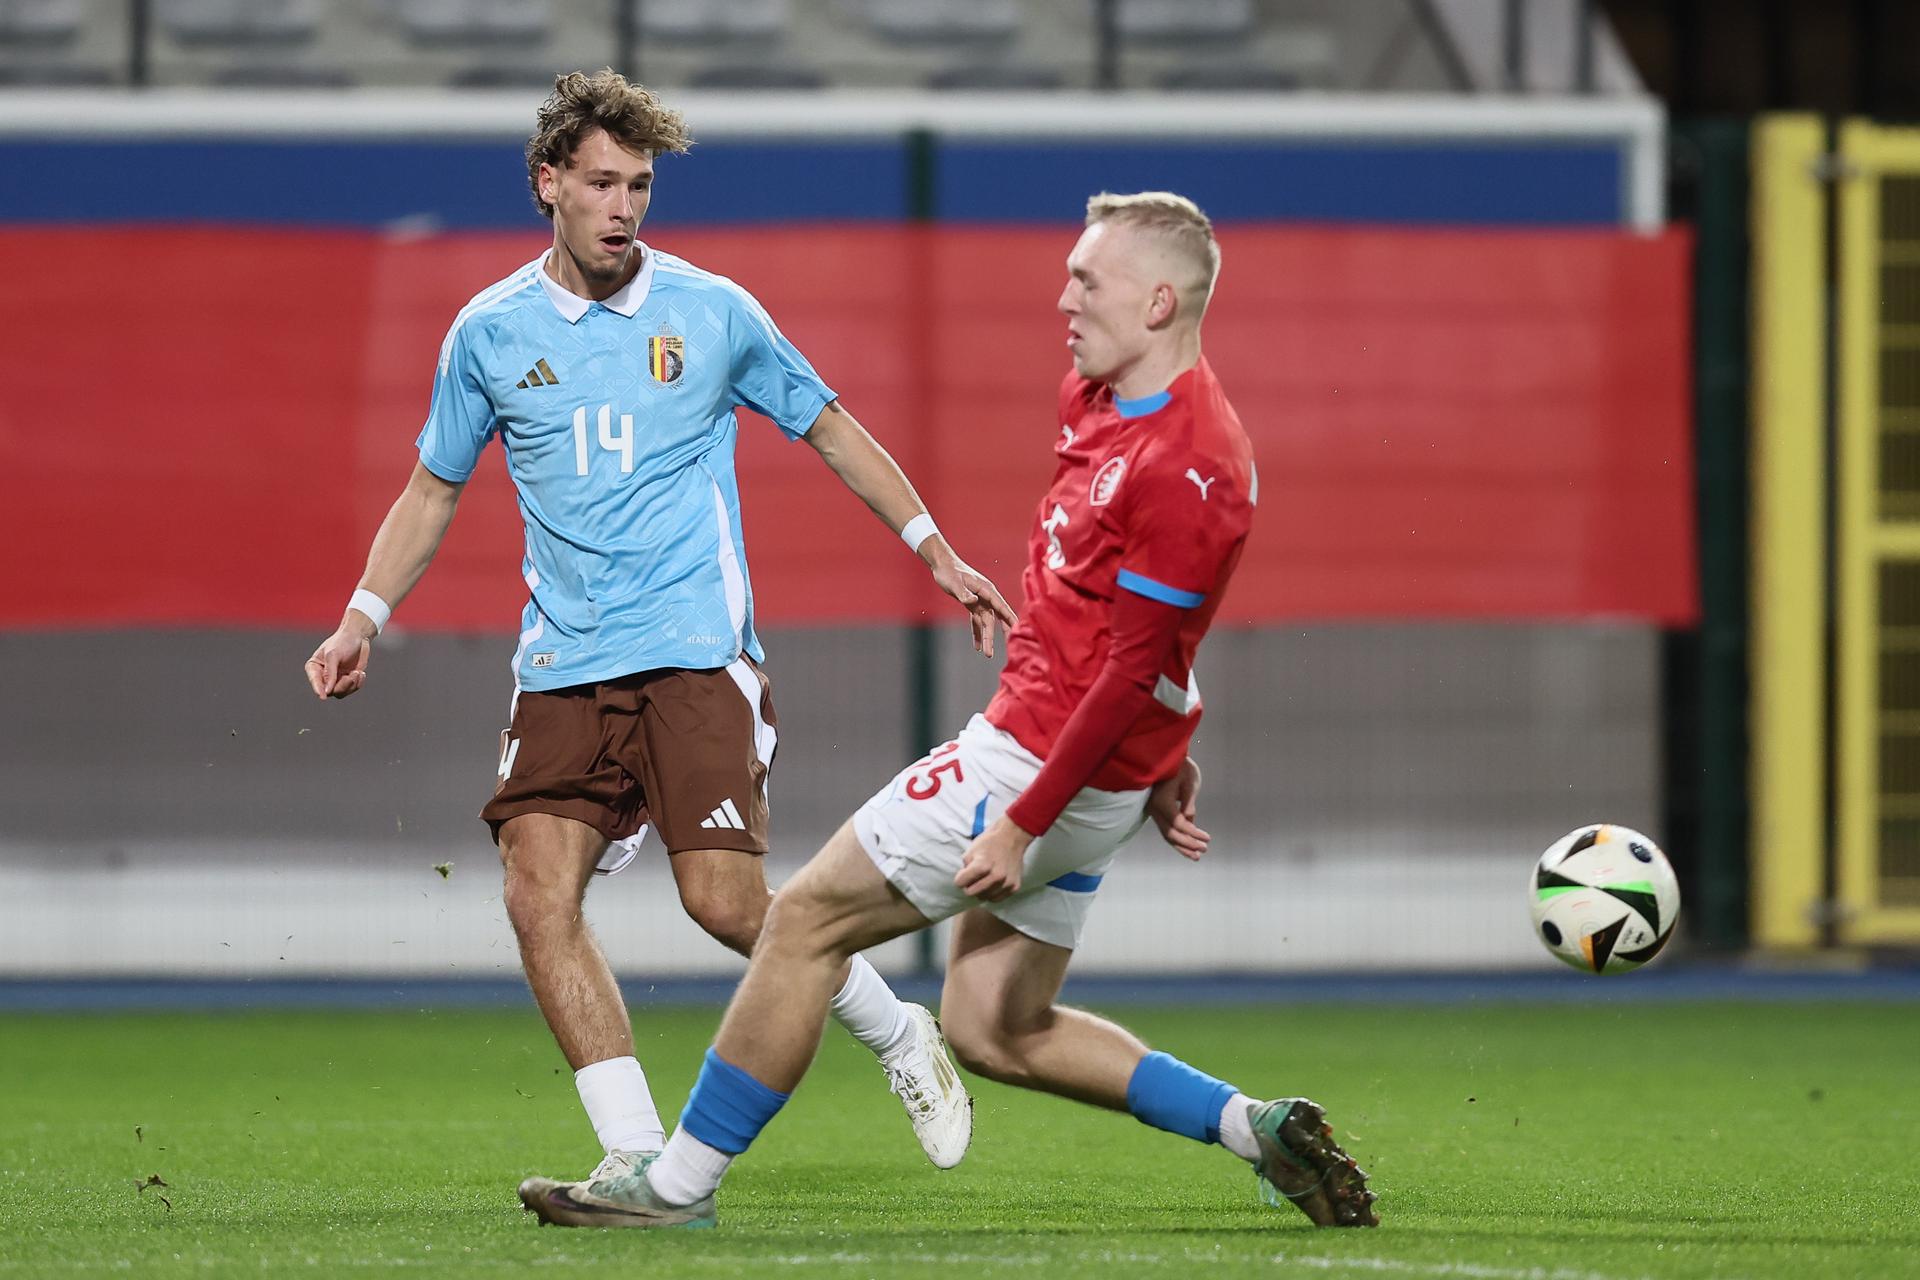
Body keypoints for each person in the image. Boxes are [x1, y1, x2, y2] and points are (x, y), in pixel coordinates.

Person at [517, 191, 1380, 1231]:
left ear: (1159, 301)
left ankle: (675, 1183)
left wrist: (1025, 817)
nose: (1063, 296)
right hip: (1095, 772)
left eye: (1087, 279)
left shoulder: (1193, 465)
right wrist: (1166, 747)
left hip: (1035, 766)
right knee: (995, 1026)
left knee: (800, 923)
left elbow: (1124, 669)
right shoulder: (1099, 397)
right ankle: (1254, 1124)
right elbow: (1137, 638)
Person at [303, 70, 1014, 1189]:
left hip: (696, 655)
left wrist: (940, 550)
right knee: (537, 893)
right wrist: (363, 616)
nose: (624, 206)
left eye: (639, 184)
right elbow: (433, 487)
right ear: (548, 184)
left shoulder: (713, 310)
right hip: (563, 664)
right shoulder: (488, 332)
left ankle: (896, 1031)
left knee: (724, 904)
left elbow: (829, 426)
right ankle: (635, 1155)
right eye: (601, 182)